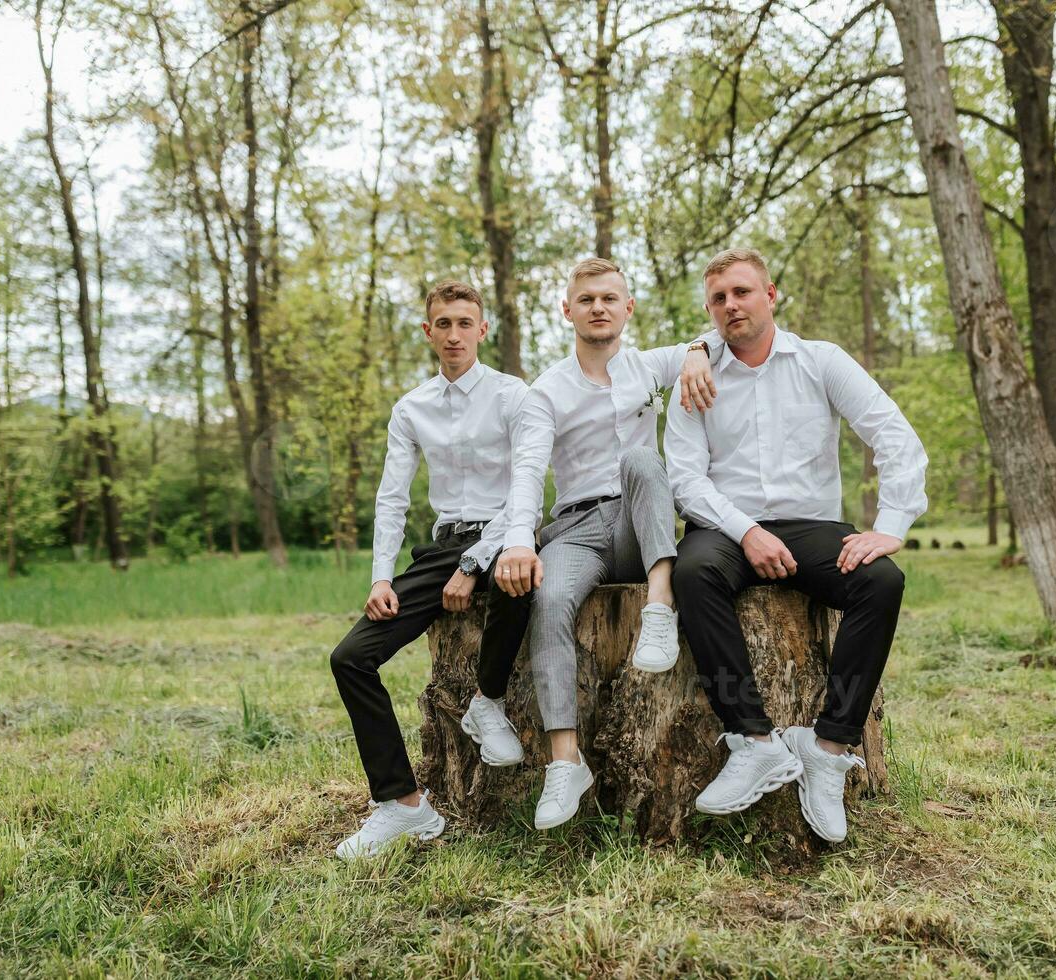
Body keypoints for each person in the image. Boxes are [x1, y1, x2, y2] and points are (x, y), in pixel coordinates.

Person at [665, 248, 928, 843]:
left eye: (742, 292)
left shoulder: (821, 361)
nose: (731, 305)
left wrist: (891, 523)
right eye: (718, 299)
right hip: (725, 525)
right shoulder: (697, 375)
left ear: (771, 294)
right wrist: (746, 531)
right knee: (693, 573)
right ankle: (754, 741)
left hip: (810, 524)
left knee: (881, 582)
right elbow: (685, 478)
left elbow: (892, 433)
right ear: (709, 312)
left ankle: (830, 747)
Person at [492, 256, 719, 830]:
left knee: (643, 457)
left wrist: (694, 347)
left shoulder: (649, 365)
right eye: (587, 299)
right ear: (567, 310)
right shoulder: (546, 391)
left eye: (609, 299)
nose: (598, 308)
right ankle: (565, 762)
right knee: (546, 598)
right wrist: (520, 541)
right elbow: (526, 472)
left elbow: (724, 330)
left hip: (642, 525)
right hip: (579, 530)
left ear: (627, 308)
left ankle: (659, 607)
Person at [330, 280, 533, 859]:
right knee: (350, 658)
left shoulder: (512, 396)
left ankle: (486, 702)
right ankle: (405, 805)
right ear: (428, 331)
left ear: (482, 330)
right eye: (442, 324)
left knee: (520, 577)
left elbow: (526, 493)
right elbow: (391, 498)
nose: (453, 335)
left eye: (464, 323)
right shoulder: (411, 407)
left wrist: (475, 564)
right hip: (441, 547)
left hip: (505, 536)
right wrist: (379, 577)